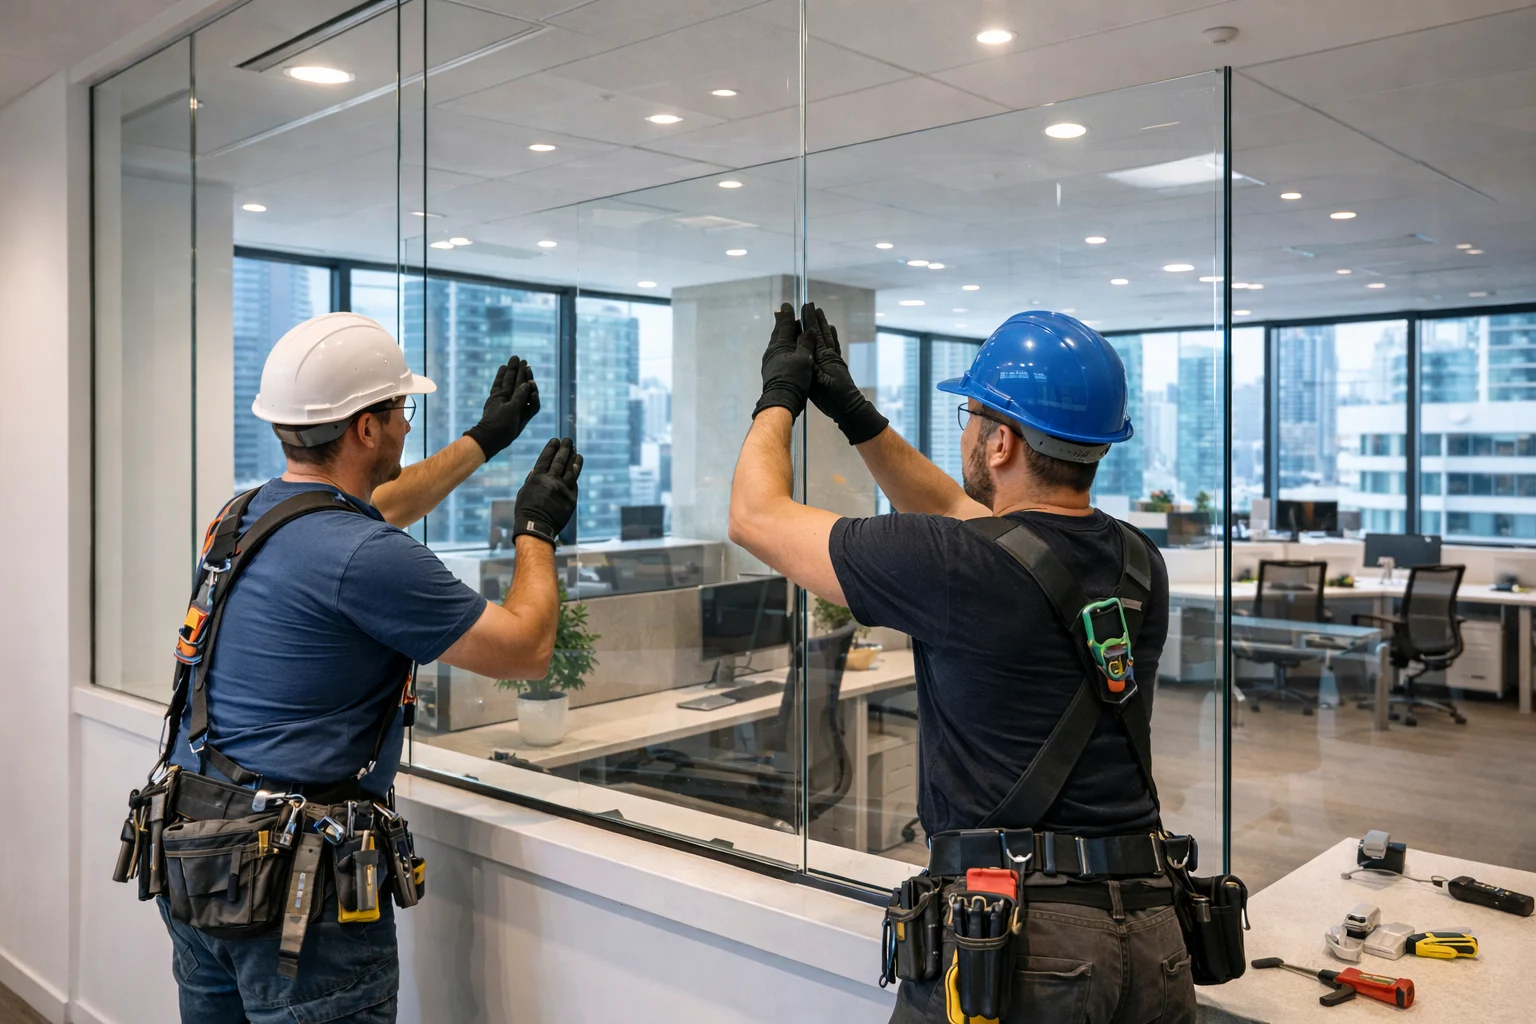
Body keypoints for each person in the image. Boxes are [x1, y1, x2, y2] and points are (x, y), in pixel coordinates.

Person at [728, 303, 1196, 1023]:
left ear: (1001, 441)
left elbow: (755, 516)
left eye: (972, 417)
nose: (966, 433)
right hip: (1156, 936)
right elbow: (956, 506)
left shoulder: (954, 564)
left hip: (1026, 944)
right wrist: (853, 411)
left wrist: (779, 396)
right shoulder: (1139, 562)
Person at [154, 312, 583, 1023]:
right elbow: (526, 649)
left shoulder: (243, 516)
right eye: (401, 412)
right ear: (364, 428)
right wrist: (536, 530)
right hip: (297, 900)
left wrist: (484, 440)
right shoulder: (363, 556)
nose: (408, 427)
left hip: (198, 858)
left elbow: (373, 506)